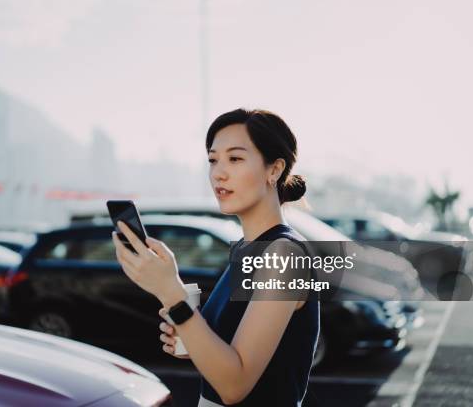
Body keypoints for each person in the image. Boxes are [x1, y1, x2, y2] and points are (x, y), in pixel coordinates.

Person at [112, 108, 319, 406]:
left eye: (235, 158)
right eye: (212, 160)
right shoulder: (245, 250)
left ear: (274, 170)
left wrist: (173, 295)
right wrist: (189, 337)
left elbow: (234, 386)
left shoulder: (284, 255)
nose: (218, 173)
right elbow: (225, 357)